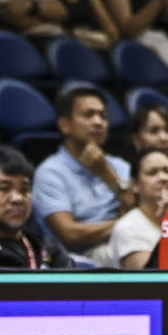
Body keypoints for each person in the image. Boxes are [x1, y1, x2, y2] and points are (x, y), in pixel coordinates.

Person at [32, 86, 134, 259]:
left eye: (103, 116)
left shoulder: (119, 166)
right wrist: (125, 223)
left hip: (124, 243)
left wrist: (107, 174)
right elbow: (70, 234)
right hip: (78, 259)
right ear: (65, 124)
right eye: (89, 115)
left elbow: (139, 209)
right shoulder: (50, 172)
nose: (98, 122)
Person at [107, 147, 168, 269]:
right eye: (152, 173)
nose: (163, 178)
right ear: (135, 184)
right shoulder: (128, 228)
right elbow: (151, 281)